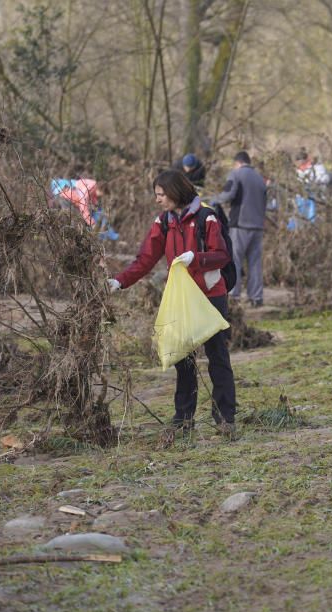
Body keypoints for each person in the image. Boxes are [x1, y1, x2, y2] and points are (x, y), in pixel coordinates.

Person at [107, 170, 236, 437]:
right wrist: (119, 282)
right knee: (182, 359)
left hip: (210, 297)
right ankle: (183, 418)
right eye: (156, 195)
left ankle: (225, 418)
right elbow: (145, 259)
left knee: (217, 358)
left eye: (161, 194)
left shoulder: (206, 216)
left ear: (175, 192)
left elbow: (222, 255)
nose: (158, 200)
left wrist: (196, 258)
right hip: (182, 300)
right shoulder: (164, 221)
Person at [214, 151, 268, 307]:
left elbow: (228, 194)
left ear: (237, 163)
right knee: (255, 263)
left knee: (235, 260)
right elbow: (265, 202)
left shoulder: (236, 174)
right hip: (257, 226)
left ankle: (233, 295)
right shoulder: (260, 178)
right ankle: (257, 297)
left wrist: (214, 200)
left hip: (240, 224)